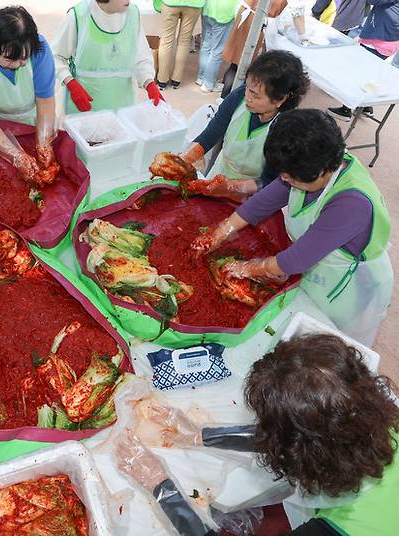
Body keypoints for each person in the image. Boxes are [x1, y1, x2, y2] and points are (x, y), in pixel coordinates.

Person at [120, 333, 399, 535]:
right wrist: (202, 435)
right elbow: (307, 431)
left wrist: (162, 487)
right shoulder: (371, 412)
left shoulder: (339, 529)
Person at [192, 109, 393, 347]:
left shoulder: (351, 204)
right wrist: (220, 232)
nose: (284, 180)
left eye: (289, 177)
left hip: (348, 288)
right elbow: (263, 202)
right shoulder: (308, 167)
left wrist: (245, 268)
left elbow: (296, 260)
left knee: (329, 345)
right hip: (315, 265)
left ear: (319, 171)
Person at [182, 50, 309, 201]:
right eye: (248, 88)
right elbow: (212, 133)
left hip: (251, 194)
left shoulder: (286, 129)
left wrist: (232, 187)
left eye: (255, 95)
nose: (248, 97)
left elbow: (269, 180)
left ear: (280, 99)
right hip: (220, 173)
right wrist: (189, 157)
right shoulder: (240, 96)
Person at [0, 6, 57, 185]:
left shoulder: (41, 49)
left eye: (23, 58)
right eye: (8, 59)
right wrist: (17, 156)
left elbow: (45, 101)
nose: (16, 65)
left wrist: (44, 143)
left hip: (34, 118)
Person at [52, 0, 162, 113]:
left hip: (122, 105)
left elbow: (140, 56)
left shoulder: (132, 13)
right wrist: (70, 82)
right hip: (85, 104)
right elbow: (56, 56)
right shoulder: (79, 15)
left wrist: (149, 82)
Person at [328, 0, 399, 121]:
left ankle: (346, 109)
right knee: (370, 72)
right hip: (388, 38)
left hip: (380, 37)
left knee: (359, 72)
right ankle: (366, 107)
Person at [219, 0, 288, 98]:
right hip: (258, 22)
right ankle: (234, 99)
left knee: (235, 64)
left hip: (245, 16)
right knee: (249, 69)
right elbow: (277, 7)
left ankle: (223, 97)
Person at [154, 0, 205, 90]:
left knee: (166, 40)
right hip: (194, 4)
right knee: (184, 42)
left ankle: (162, 80)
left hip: (170, 3)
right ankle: (176, 80)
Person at [196, 0, 238, 93]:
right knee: (217, 51)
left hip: (208, 8)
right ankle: (208, 84)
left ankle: (201, 77)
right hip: (224, 13)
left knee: (206, 45)